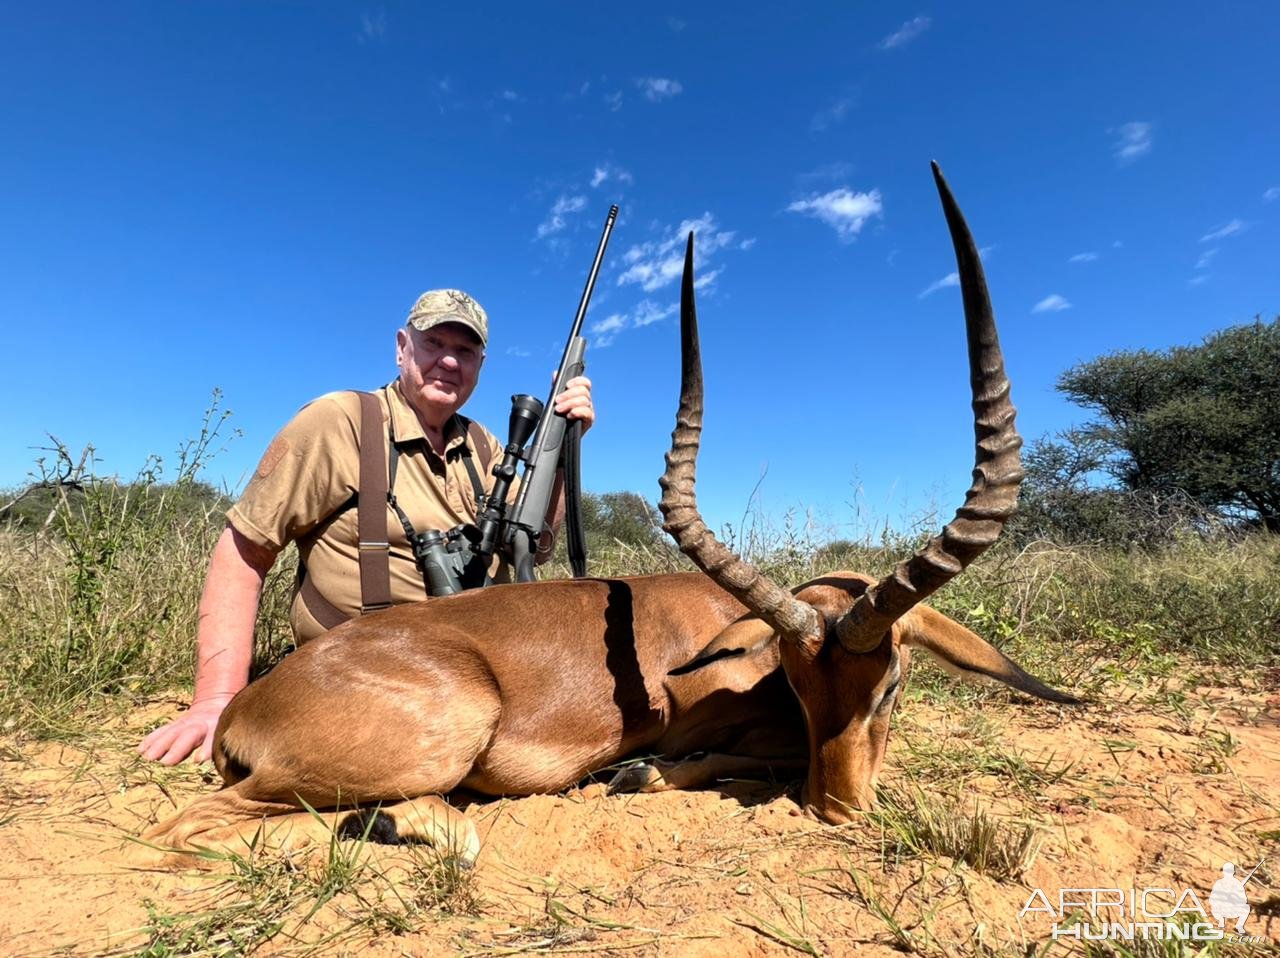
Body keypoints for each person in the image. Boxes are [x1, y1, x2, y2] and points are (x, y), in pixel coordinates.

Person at [139, 289, 594, 765]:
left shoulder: (484, 445)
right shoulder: (339, 423)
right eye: (434, 343)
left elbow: (534, 547)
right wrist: (216, 700)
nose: (449, 362)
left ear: (480, 364)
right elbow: (243, 552)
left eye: (465, 351)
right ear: (402, 347)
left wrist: (563, 453)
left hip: (478, 672)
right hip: (364, 675)